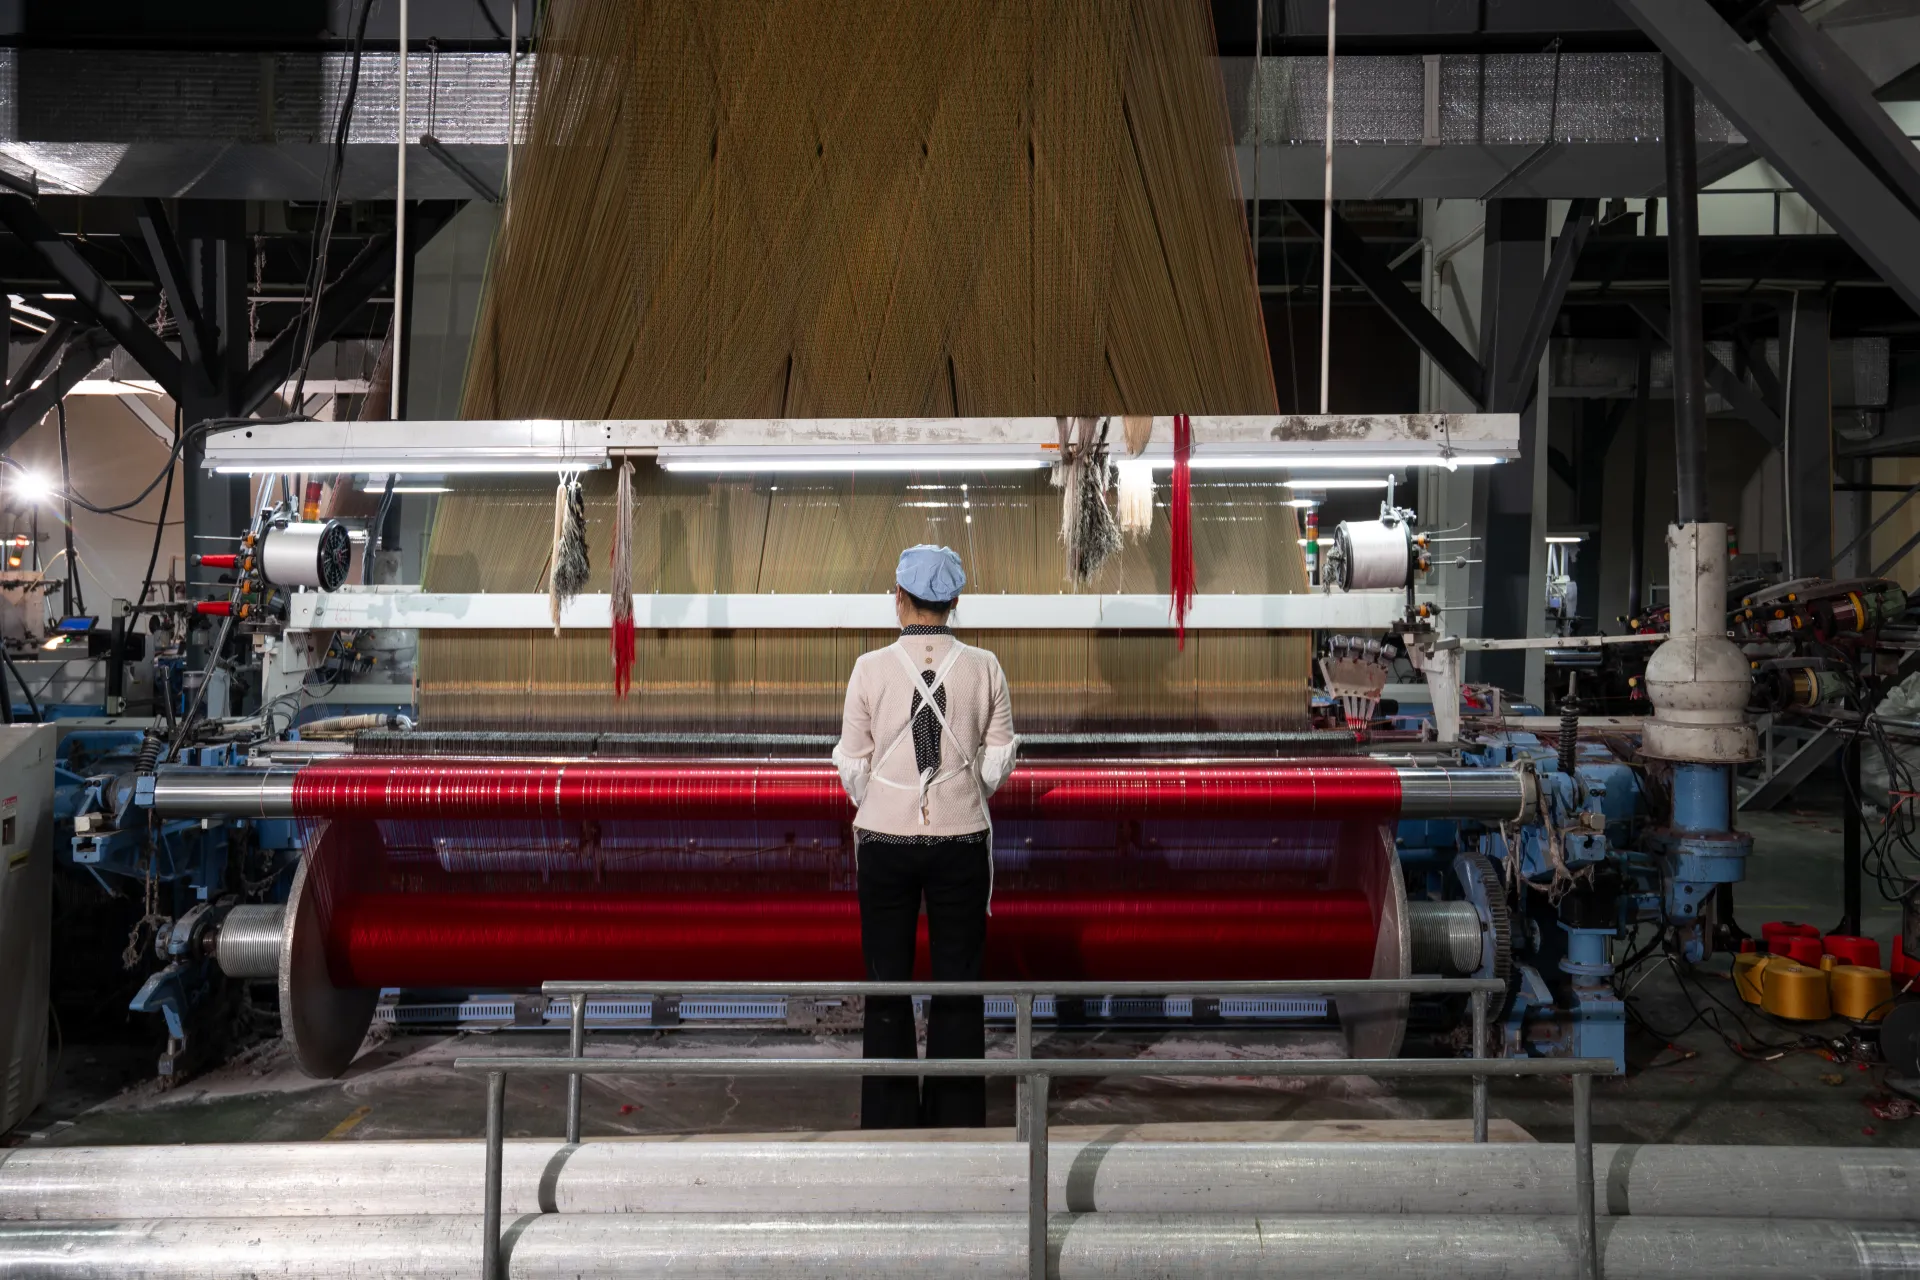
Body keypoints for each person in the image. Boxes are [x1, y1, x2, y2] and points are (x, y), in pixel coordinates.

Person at [832, 543, 1017, 1128]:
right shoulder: (986, 667)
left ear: (899, 599)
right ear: (955, 601)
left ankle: (888, 1120)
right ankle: (956, 1118)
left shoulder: (868, 669)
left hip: (884, 844)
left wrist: (892, 799)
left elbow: (853, 766)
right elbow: (995, 765)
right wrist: (957, 798)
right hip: (961, 843)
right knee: (959, 984)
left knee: (885, 982)